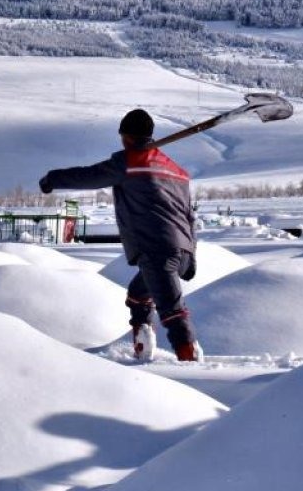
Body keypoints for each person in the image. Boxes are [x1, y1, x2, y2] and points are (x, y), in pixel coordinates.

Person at [38, 109, 201, 362]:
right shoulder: (177, 171)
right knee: (138, 296)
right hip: (180, 249)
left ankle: (192, 364)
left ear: (126, 136)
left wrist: (52, 179)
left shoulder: (129, 163)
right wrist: (191, 255)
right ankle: (143, 346)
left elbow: (89, 176)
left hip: (157, 249)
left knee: (172, 312)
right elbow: (189, 216)